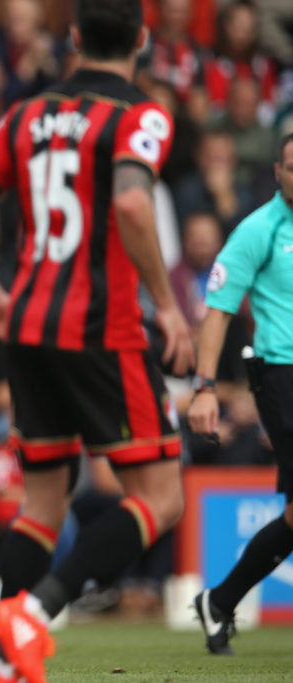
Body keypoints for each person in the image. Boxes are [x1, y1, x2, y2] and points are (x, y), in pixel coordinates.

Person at [0, 1, 196, 681]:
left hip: (25, 324)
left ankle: (4, 655)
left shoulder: (26, 115)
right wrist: (168, 309)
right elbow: (135, 204)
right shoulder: (141, 114)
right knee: (163, 496)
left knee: (42, 505)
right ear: (143, 38)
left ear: (74, 37)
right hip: (101, 329)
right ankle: (38, 612)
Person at [188, 132, 293, 656]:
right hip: (281, 376)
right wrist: (204, 387)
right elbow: (219, 310)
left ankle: (221, 600)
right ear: (278, 171)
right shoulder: (258, 230)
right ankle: (222, 600)